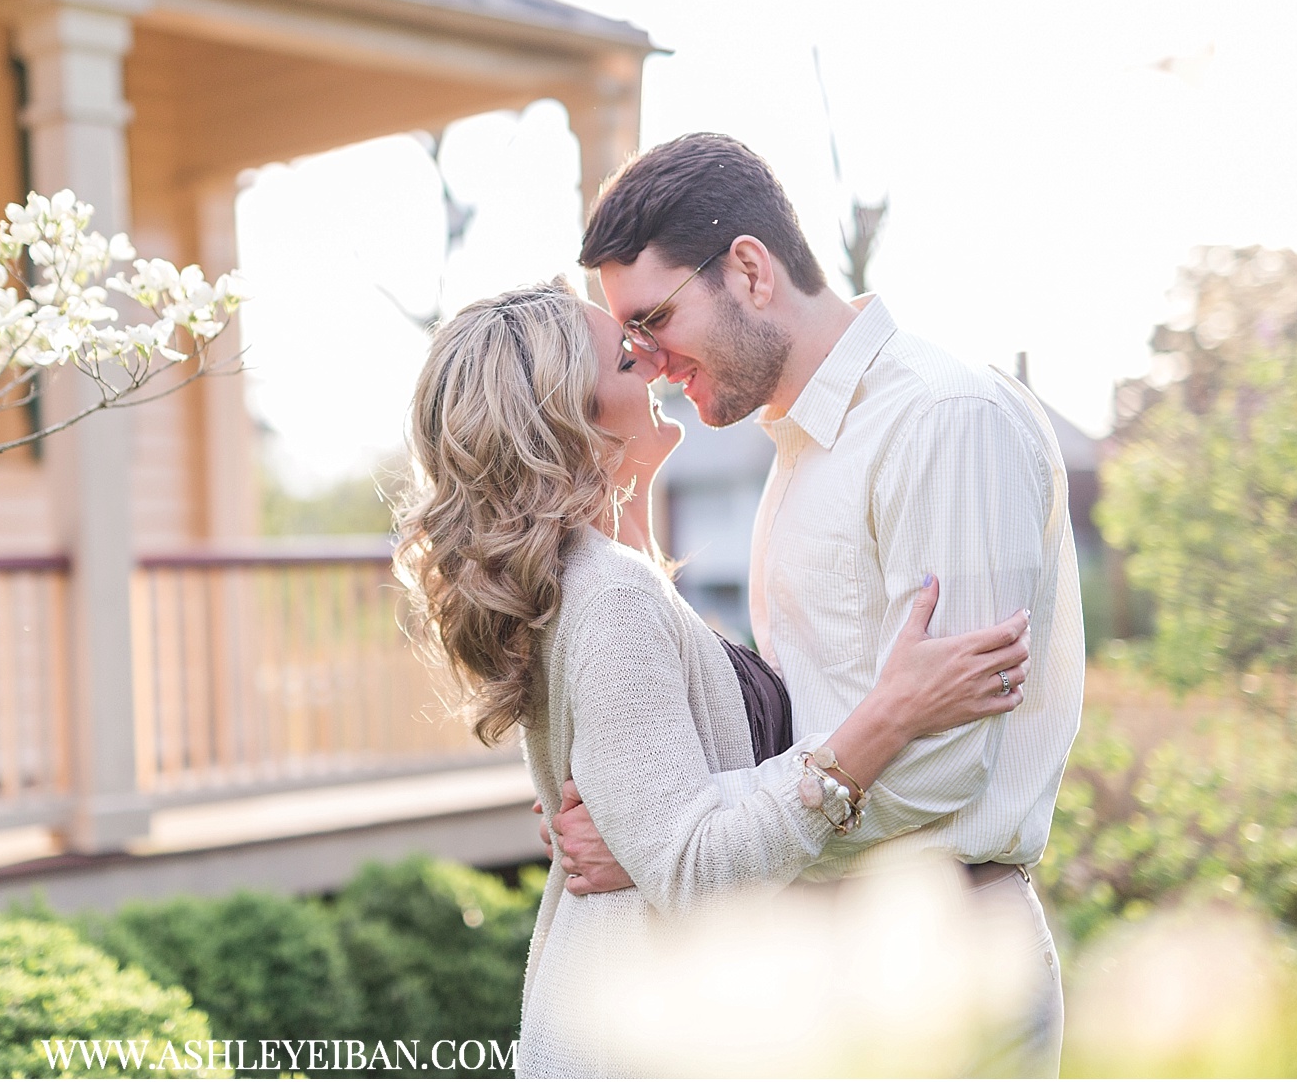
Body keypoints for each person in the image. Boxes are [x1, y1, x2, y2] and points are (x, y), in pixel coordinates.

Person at [394, 281, 1033, 1078]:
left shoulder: (578, 579)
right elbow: (694, 870)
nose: (658, 368)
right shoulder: (613, 598)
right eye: (629, 359)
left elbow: (669, 783)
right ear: (573, 415)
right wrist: (890, 714)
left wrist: (629, 465)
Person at [556, 132, 1083, 1076]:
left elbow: (941, 768)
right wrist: (666, 823)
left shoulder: (938, 421)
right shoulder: (802, 452)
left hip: (944, 963)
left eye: (654, 320)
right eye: (629, 340)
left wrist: (684, 851)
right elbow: (820, 722)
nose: (648, 360)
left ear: (749, 270)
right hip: (830, 964)